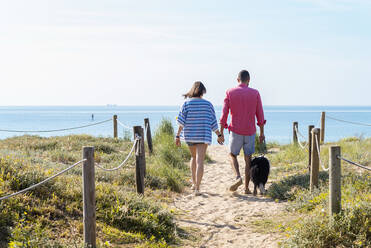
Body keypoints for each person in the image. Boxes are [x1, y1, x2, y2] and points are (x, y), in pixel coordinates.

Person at [219, 70, 266, 194]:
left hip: (235, 130)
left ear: (237, 79)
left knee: (232, 155)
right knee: (248, 160)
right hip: (250, 131)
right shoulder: (255, 93)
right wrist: (261, 133)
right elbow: (260, 114)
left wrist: (221, 131)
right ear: (248, 80)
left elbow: (224, 113)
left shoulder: (230, 92)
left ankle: (237, 177)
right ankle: (246, 188)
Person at [175, 81, 224, 196]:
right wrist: (219, 135)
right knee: (200, 161)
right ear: (203, 91)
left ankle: (193, 183)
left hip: (190, 135)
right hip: (203, 135)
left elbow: (181, 122)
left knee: (193, 157)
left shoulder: (186, 104)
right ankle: (197, 187)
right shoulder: (208, 105)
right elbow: (213, 122)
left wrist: (177, 136)